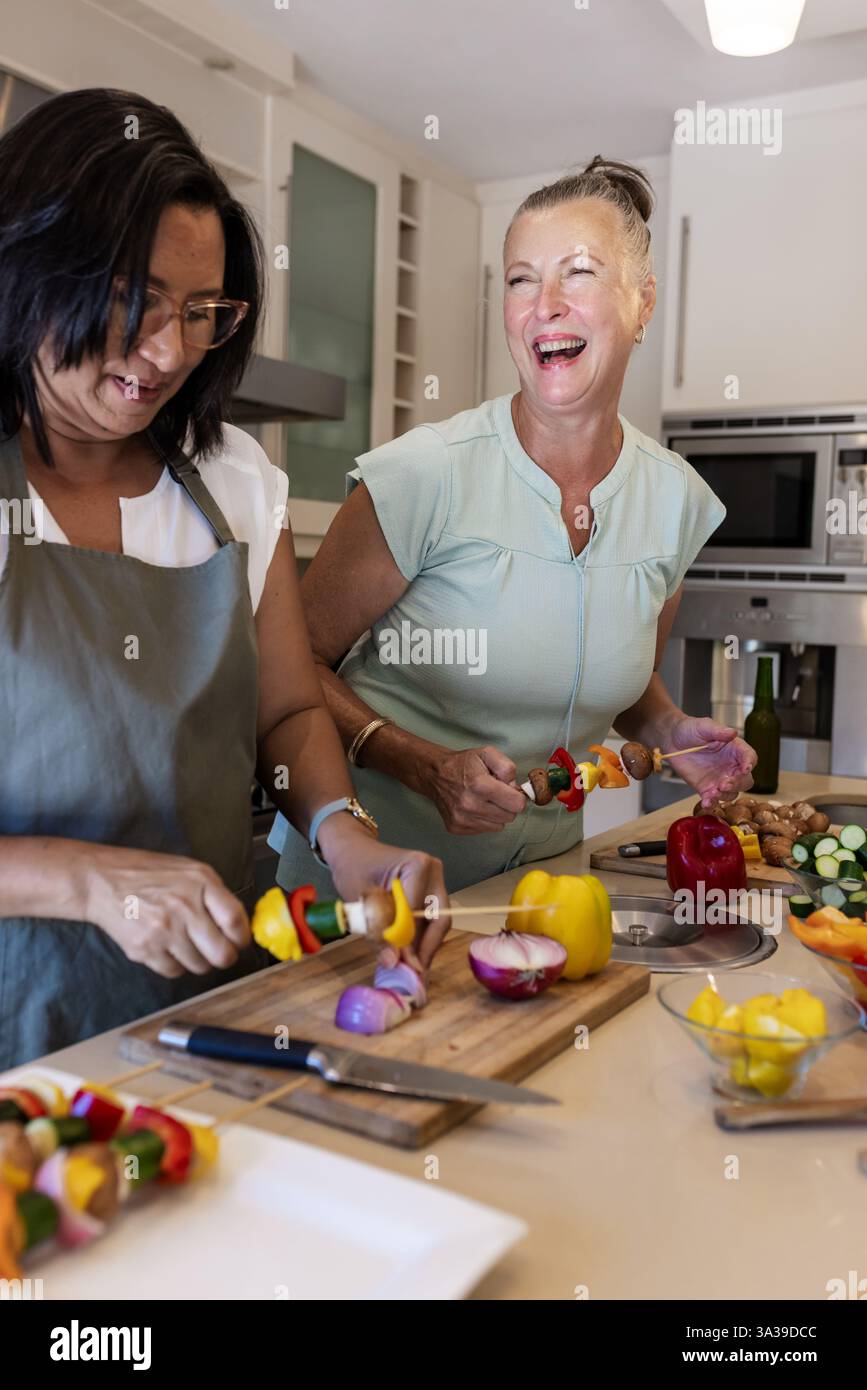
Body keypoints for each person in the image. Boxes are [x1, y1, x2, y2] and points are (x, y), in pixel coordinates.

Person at [0, 88, 447, 1071]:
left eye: (200, 313)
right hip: (19, 1044)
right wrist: (84, 882)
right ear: (33, 268)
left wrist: (345, 834)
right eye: (138, 301)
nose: (166, 352)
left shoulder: (234, 483)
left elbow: (286, 717)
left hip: (209, 1019)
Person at [270, 156, 756, 896]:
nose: (545, 303)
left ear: (642, 302)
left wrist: (668, 732)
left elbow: (624, 685)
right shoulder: (422, 475)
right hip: (367, 887)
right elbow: (287, 663)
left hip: (540, 883)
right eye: (522, 278)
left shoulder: (675, 501)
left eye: (579, 273)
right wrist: (415, 763)